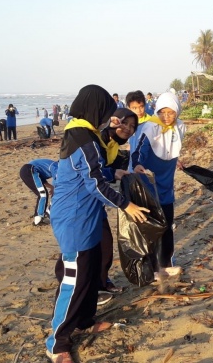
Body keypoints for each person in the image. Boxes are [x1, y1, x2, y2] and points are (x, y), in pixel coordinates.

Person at [45, 84, 149, 362]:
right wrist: (127, 205)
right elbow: (94, 182)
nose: (108, 116)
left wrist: (119, 171)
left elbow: (99, 169)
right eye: (105, 110)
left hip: (89, 215)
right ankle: (57, 343)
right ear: (95, 110)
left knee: (90, 274)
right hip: (74, 217)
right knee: (74, 280)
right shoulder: (81, 137)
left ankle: (84, 320)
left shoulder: (89, 135)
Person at [131, 92, 186, 278]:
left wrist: (176, 160)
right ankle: (153, 267)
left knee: (168, 223)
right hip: (150, 180)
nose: (166, 117)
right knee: (153, 225)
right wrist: (137, 164)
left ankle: (167, 262)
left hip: (167, 181)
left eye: (171, 113)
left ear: (177, 112)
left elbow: (174, 148)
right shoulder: (150, 127)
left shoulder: (180, 127)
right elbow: (138, 151)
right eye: (162, 112)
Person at [93, 107, 139, 301]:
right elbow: (93, 173)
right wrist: (124, 203)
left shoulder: (112, 145)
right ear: (115, 120)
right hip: (84, 201)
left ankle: (101, 283)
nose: (128, 129)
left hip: (96, 202)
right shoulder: (98, 140)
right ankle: (93, 288)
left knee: (104, 244)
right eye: (125, 123)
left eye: (132, 126)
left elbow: (112, 167)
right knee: (91, 247)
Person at [19, 159, 58, 225]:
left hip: (27, 171)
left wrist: (52, 187)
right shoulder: (56, 166)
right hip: (29, 170)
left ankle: (44, 214)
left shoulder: (53, 165)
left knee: (43, 193)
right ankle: (38, 219)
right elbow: (59, 180)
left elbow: (41, 179)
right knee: (42, 194)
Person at [126, 90, 153, 171]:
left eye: (141, 106)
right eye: (134, 108)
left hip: (147, 165)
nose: (139, 111)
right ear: (128, 108)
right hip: (132, 164)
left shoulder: (151, 123)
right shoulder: (128, 123)